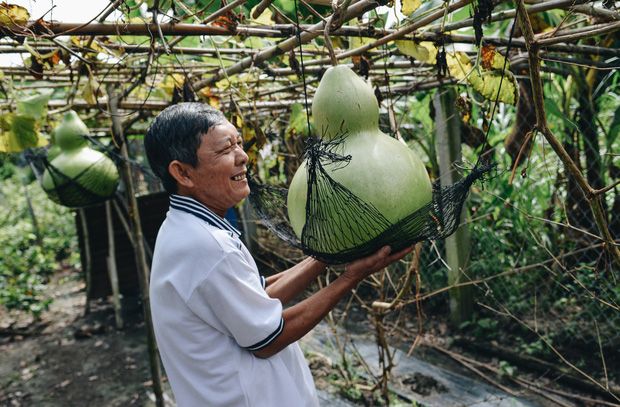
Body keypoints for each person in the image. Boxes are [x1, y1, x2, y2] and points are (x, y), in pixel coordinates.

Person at [144, 102, 413, 407]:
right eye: (224, 150)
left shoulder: (186, 228)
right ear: (183, 172)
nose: (243, 156)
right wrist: (352, 275)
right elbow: (268, 339)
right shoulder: (205, 246)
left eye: (239, 144)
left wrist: (326, 255)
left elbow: (258, 296)